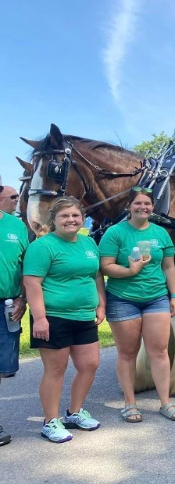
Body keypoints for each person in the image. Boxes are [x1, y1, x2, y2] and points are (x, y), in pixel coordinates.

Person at [23, 197, 105, 443]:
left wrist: (101, 303)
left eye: (75, 215)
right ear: (54, 220)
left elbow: (97, 275)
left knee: (89, 365)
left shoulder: (89, 243)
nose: (71, 220)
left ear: (82, 218)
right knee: (56, 370)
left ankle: (75, 412)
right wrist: (39, 318)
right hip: (53, 317)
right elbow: (32, 283)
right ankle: (50, 421)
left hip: (84, 316)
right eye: (65, 216)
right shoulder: (42, 246)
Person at [98, 187, 175, 421]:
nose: (143, 207)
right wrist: (130, 270)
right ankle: (129, 403)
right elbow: (105, 266)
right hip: (123, 300)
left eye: (147, 203)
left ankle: (165, 402)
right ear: (129, 207)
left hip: (156, 298)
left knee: (159, 351)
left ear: (152, 207)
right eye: (137, 203)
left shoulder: (161, 234)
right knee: (127, 353)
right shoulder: (115, 233)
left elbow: (169, 267)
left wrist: (174, 296)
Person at [0, 184, 28, 446]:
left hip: (6, 305)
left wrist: (23, 296)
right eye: (12, 197)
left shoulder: (16, 226)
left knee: (2, 367)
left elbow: (25, 264)